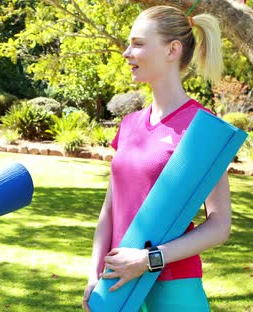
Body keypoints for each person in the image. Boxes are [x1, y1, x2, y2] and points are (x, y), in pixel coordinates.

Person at [82, 5, 229, 312]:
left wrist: (148, 260)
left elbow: (219, 225)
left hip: (173, 286)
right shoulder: (129, 124)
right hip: (117, 284)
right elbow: (109, 210)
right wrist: (94, 274)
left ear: (172, 50)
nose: (126, 52)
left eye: (137, 43)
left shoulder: (202, 128)